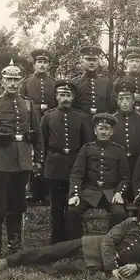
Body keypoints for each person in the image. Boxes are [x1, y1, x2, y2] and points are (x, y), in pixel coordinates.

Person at [0, 59, 43, 261]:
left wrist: (38, 160)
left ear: (20, 81)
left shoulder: (28, 105)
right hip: (0, 163)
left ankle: (15, 246)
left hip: (22, 162)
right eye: (8, 80)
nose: (12, 84)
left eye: (16, 80)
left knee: (18, 204)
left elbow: (37, 135)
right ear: (1, 82)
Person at [0, 202, 140, 279]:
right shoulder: (131, 223)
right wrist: (113, 268)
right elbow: (108, 242)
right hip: (90, 244)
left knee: (60, 269)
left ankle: (29, 265)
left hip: (95, 264)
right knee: (51, 251)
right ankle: (7, 262)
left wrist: (137, 267)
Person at [40, 80, 93, 244]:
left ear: (73, 97)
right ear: (56, 97)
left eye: (68, 95)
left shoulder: (82, 117)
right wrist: (42, 164)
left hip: (75, 167)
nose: (65, 98)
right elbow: (42, 143)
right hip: (54, 167)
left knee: (73, 206)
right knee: (56, 207)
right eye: (62, 95)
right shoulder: (48, 117)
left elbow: (87, 144)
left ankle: (73, 241)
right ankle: (56, 241)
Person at [65, 113, 130, 240]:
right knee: (72, 211)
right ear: (95, 131)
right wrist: (75, 194)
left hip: (110, 193)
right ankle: (75, 247)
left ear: (112, 132)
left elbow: (125, 177)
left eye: (107, 129)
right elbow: (76, 174)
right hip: (90, 192)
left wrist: (119, 193)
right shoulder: (86, 149)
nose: (103, 132)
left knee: (119, 213)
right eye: (101, 128)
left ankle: (113, 246)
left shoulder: (119, 151)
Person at [19, 49, 56, 205]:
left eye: (45, 62)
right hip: (32, 123)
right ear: (34, 64)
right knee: (33, 155)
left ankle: (47, 192)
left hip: (49, 123)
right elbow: (21, 103)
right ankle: (33, 191)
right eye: (39, 62)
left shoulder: (53, 83)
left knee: (48, 154)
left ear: (48, 65)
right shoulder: (26, 83)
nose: (42, 65)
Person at [72, 45, 115, 121]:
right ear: (82, 61)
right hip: (81, 123)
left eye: (94, 60)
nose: (91, 63)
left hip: (101, 124)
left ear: (99, 61)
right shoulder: (75, 83)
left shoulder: (106, 83)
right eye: (88, 59)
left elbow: (111, 107)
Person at [114, 46, 140, 119]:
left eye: (137, 61)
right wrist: (130, 97)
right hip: (124, 118)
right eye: (131, 61)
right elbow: (113, 100)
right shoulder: (119, 81)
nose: (134, 63)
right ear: (126, 64)